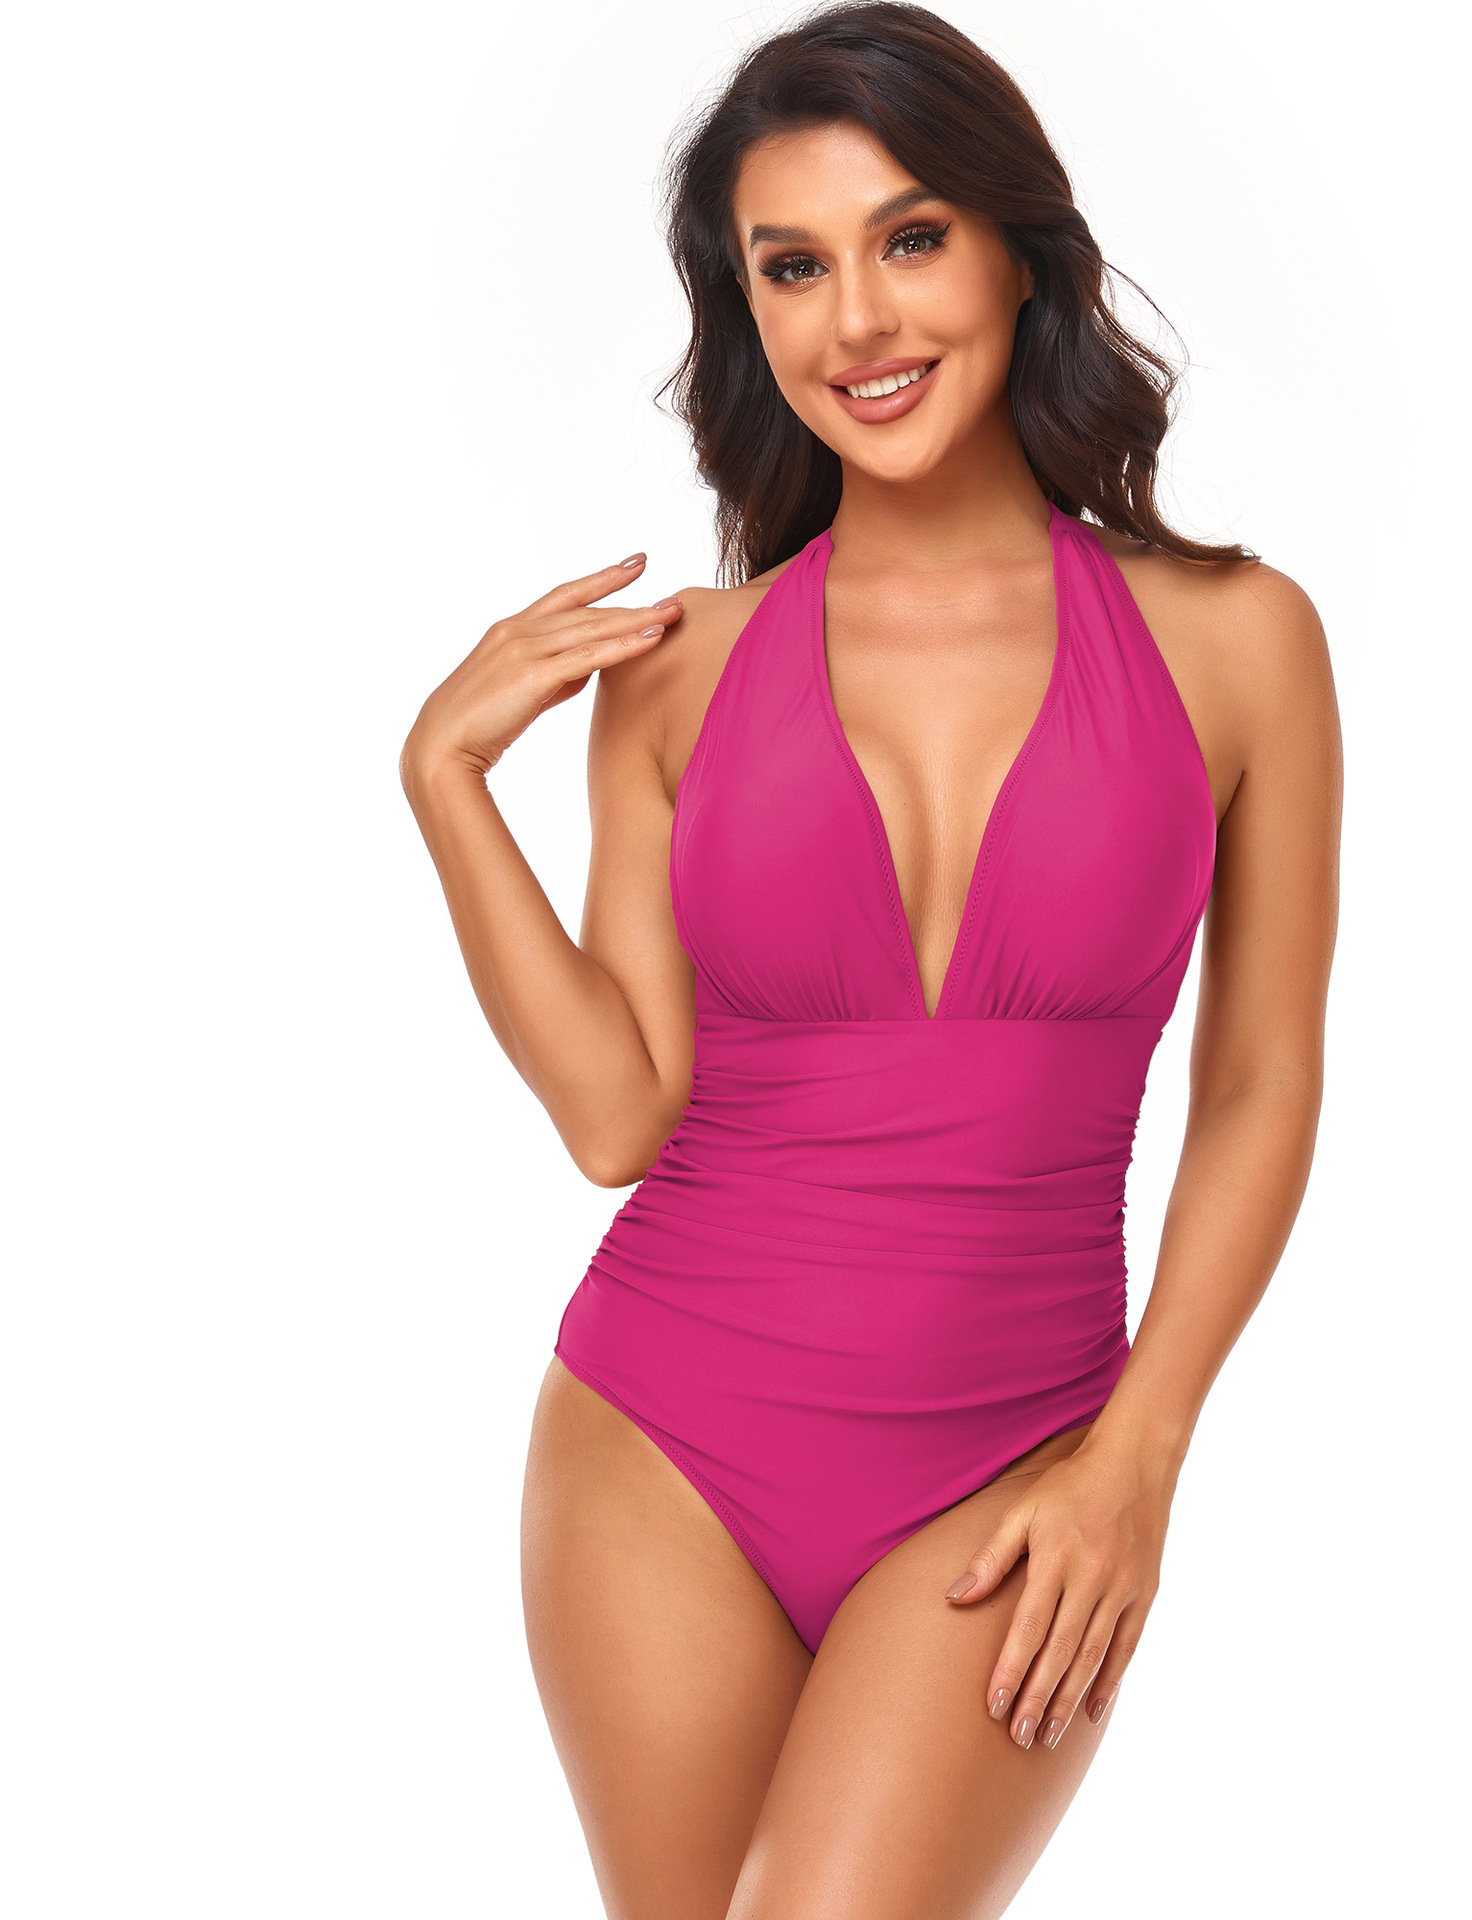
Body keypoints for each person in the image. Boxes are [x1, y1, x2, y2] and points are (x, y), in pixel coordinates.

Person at [399, 4, 1341, 1914]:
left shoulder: (1240, 638)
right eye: (793, 267)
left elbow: (1259, 1079)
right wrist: (442, 785)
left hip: (1022, 1458)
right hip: (660, 1440)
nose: (859, 320)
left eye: (910, 238)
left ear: (1016, 250)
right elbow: (616, 1116)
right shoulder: (679, 673)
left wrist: (1139, 1458)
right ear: (746, 309)